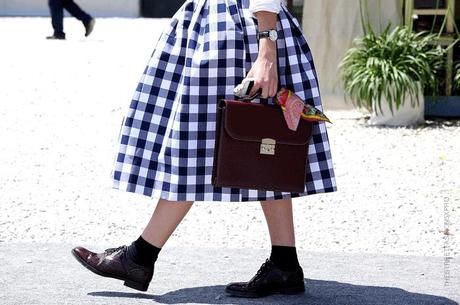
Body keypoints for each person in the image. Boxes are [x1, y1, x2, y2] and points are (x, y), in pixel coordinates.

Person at [71, 0, 337, 298]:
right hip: (216, 25)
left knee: (208, 144)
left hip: (242, 30)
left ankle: (140, 256)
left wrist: (267, 50)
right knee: (264, 146)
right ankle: (284, 263)